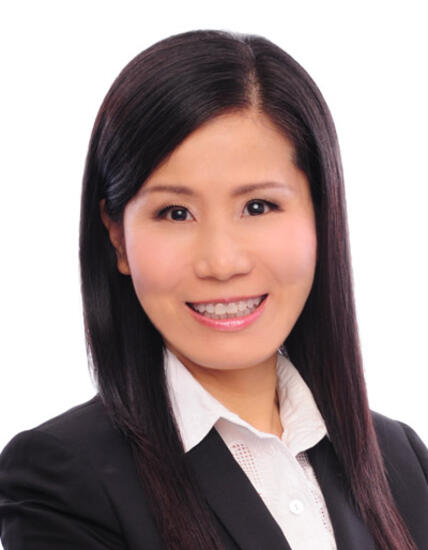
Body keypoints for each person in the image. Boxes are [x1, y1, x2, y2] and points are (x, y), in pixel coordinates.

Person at [0, 29, 427, 550]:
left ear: (321, 216)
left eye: (258, 207)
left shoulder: (403, 463)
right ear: (117, 238)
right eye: (175, 213)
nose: (222, 263)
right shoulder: (65, 481)